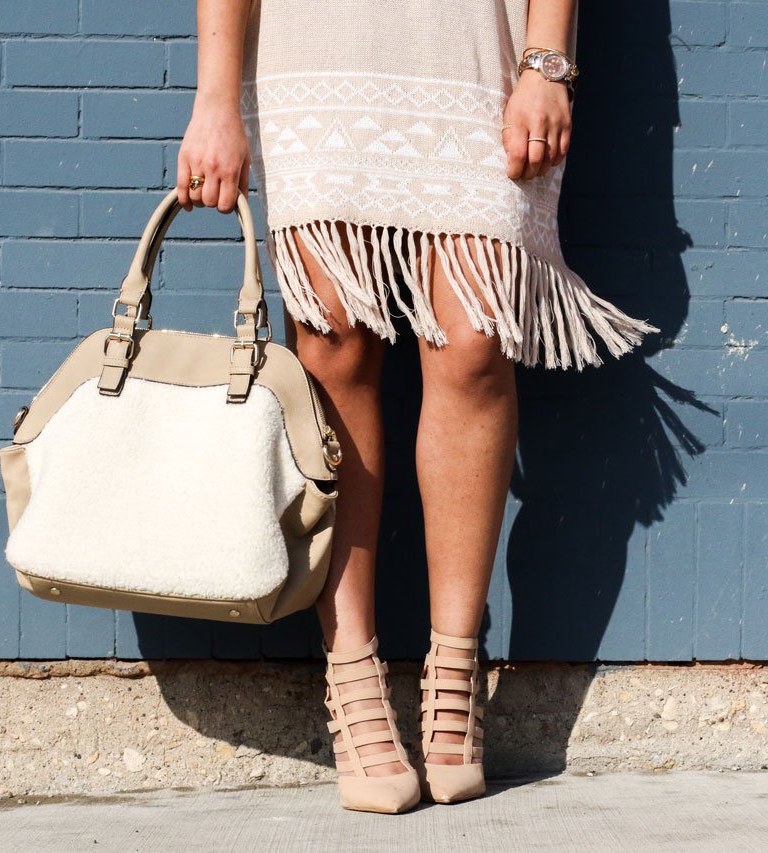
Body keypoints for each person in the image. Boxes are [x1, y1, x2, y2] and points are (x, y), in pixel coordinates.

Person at [176, 0, 656, 813]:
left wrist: (546, 60)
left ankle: (455, 665)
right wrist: (217, 96)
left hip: (476, 51)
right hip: (318, 53)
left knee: (475, 344)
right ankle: (352, 671)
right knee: (332, 346)